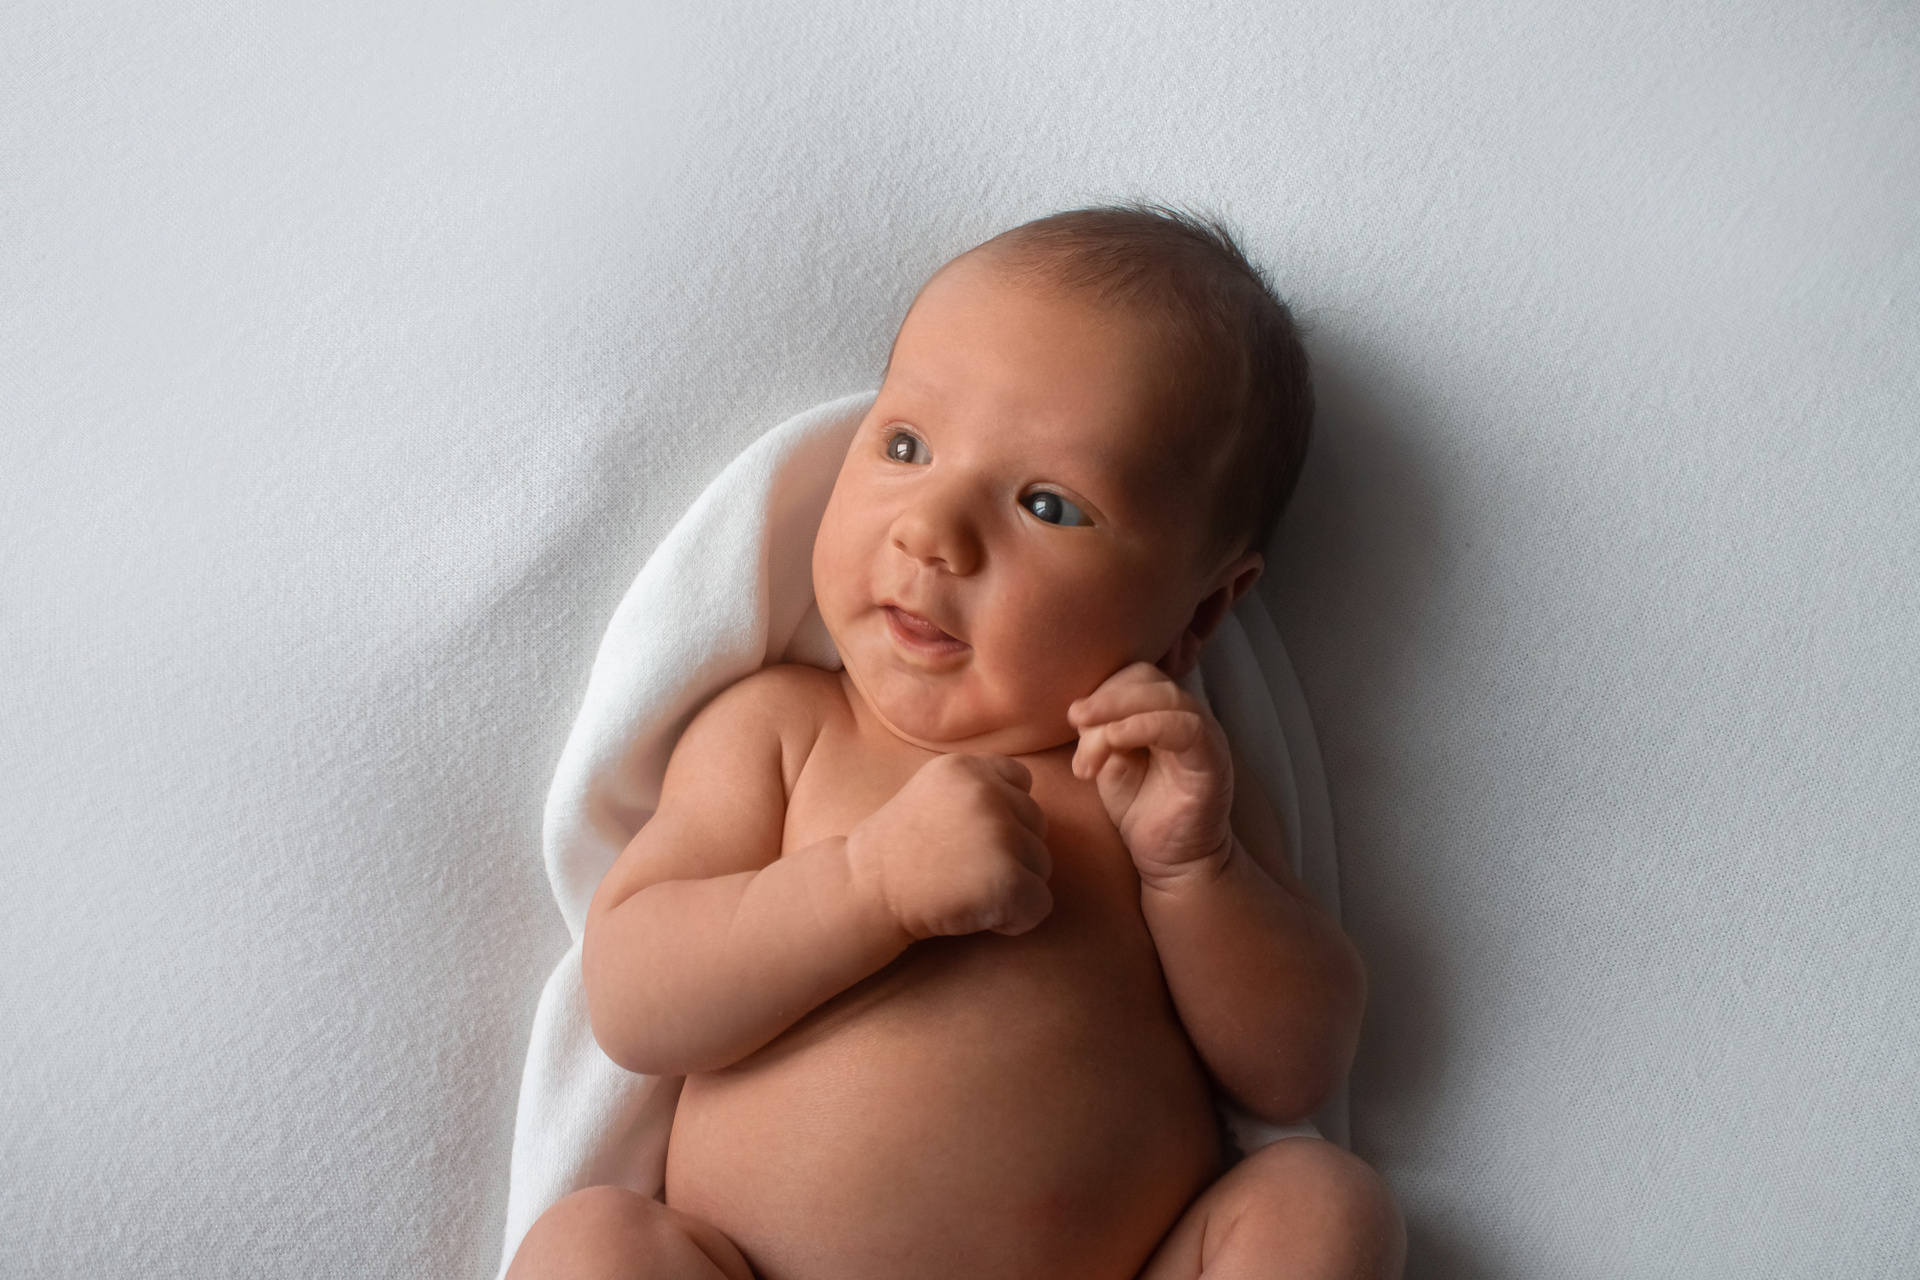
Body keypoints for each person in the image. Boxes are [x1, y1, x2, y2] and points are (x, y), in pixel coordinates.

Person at [507, 204, 1405, 1279]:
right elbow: (633, 1001)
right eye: (906, 445)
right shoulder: (783, 729)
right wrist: (867, 882)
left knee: (1323, 1205)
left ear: (1200, 612)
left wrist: (1195, 871)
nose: (931, 530)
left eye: (1047, 505)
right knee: (591, 1246)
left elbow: (1295, 1069)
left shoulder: (1163, 789)